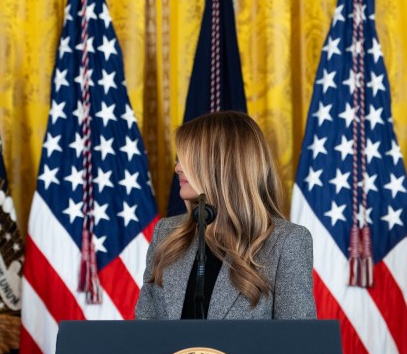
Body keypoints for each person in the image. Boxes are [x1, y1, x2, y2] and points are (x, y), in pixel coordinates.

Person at [134, 111, 316, 320]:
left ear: (221, 165)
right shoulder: (166, 233)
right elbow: (144, 329)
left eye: (187, 160)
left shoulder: (286, 242)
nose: (177, 169)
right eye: (178, 160)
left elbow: (297, 337)